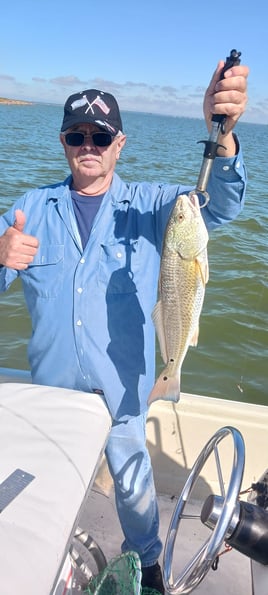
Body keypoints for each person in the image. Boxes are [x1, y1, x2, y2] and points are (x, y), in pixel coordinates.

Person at [0, 59, 248, 593]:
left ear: (120, 143)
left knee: (135, 495)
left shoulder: (158, 206)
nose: (88, 143)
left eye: (100, 135)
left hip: (124, 397)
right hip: (54, 395)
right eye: (77, 134)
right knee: (44, 498)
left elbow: (221, 207)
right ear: (64, 141)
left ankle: (150, 566)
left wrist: (222, 137)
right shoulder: (29, 209)